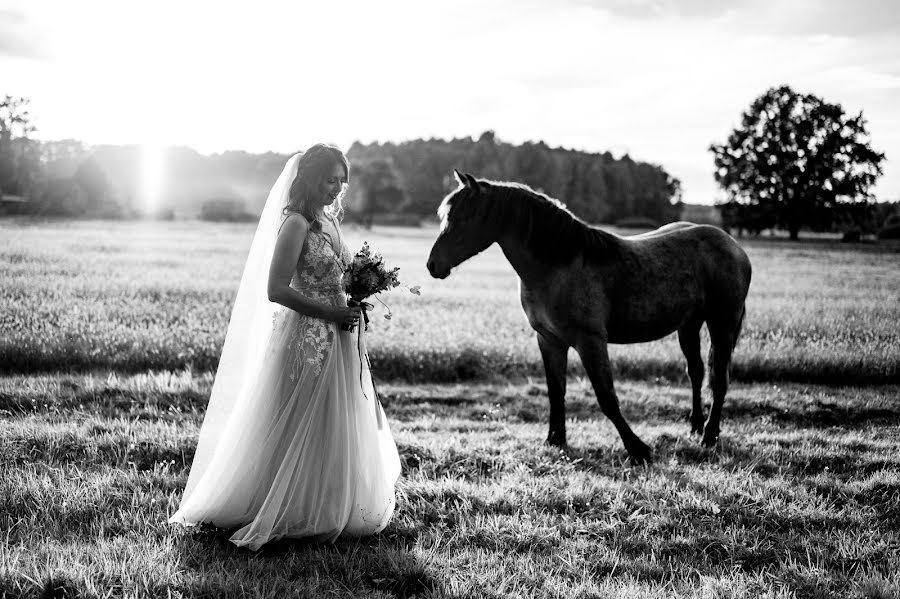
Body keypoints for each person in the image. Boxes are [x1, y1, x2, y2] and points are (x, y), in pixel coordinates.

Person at [169, 144, 401, 550]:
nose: (337, 188)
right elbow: (276, 289)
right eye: (330, 180)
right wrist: (330, 314)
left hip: (340, 337)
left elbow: (338, 278)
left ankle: (325, 502)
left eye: (342, 181)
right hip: (306, 337)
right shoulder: (294, 224)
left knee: (335, 418)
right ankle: (282, 506)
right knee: (298, 418)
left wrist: (355, 300)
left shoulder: (328, 221)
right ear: (311, 178)